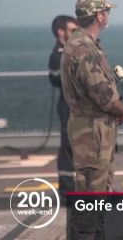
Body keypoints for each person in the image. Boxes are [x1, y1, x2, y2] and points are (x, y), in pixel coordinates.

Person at [61, 0, 123, 239]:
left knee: (97, 191)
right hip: (92, 133)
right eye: (106, 12)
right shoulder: (84, 48)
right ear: (99, 16)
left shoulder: (81, 44)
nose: (107, 16)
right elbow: (103, 95)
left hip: (93, 130)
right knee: (92, 194)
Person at [48, 15, 78, 204]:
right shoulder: (57, 55)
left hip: (77, 106)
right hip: (67, 107)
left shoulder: (69, 52)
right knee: (68, 148)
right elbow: (57, 78)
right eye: (72, 30)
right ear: (61, 32)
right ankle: (67, 190)